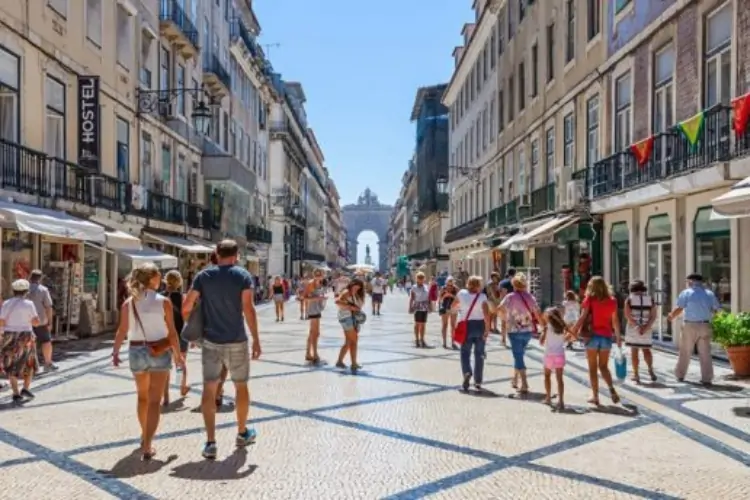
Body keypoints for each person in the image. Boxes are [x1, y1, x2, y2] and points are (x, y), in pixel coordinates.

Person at [182, 239, 261, 460]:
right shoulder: (242, 276)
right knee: (241, 386)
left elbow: (186, 306)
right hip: (237, 340)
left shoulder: (203, 276)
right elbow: (248, 309)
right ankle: (242, 432)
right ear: (236, 255)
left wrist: (195, 331)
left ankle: (210, 443)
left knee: (209, 389)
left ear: (216, 253)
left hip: (210, 341)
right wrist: (256, 339)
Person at [111, 264, 183, 460]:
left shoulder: (129, 302)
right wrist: (178, 355)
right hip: (158, 351)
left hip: (136, 350)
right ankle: (148, 445)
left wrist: (116, 351)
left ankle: (144, 435)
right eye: (159, 276)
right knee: (154, 401)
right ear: (152, 279)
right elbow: (172, 332)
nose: (161, 280)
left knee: (142, 397)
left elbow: (122, 330)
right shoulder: (163, 301)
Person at [573, 276, 622, 406]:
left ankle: (595, 396)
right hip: (606, 337)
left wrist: (573, 331)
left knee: (593, 368)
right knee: (604, 367)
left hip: (592, 336)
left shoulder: (590, 299)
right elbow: (615, 320)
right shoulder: (612, 301)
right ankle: (611, 388)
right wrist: (618, 338)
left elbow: (583, 317)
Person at [667, 273, 721, 385]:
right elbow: (716, 310)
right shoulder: (709, 294)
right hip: (705, 325)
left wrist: (671, 316)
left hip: (690, 325)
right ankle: (707, 378)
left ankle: (680, 375)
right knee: (705, 352)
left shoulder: (686, 293)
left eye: (687, 281)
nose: (687, 283)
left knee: (685, 351)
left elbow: (679, 308)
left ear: (691, 281)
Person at [497, 273, 542, 394]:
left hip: (514, 330)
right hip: (527, 330)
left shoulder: (510, 297)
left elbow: (499, 308)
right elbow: (537, 312)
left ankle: (525, 383)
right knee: (519, 355)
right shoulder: (530, 297)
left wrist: (505, 318)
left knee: (518, 356)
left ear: (514, 284)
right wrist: (543, 326)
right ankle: (515, 379)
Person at [0, 279, 41, 404]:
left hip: (10, 336)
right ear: (26, 291)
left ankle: (16, 393)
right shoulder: (29, 304)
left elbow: (1, 321)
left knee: (12, 364)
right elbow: (36, 322)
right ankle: (25, 389)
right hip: (26, 337)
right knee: (28, 362)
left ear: (13, 291)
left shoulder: (7, 303)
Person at [452, 276, 491, 391]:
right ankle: (478, 381)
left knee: (465, 352)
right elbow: (486, 315)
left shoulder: (461, 294)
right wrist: (487, 330)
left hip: (466, 326)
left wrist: (461, 308)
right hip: (479, 326)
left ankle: (467, 372)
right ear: (478, 285)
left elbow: (453, 307)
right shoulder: (482, 297)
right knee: (479, 354)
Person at [161, 270, 189, 405]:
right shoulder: (182, 298)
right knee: (180, 362)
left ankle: (166, 396)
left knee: (165, 366)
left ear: (166, 280)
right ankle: (181, 387)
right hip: (180, 334)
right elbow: (186, 316)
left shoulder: (160, 297)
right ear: (179, 282)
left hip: (164, 334)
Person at [540, 307, 574, 410]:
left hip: (549, 355)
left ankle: (548, 398)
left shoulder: (547, 327)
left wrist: (543, 333)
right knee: (560, 379)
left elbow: (541, 342)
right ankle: (561, 401)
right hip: (559, 354)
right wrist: (564, 339)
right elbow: (571, 336)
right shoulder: (562, 327)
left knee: (547, 376)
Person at [624, 280, 657, 384]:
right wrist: (646, 327)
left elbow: (628, 316)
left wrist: (637, 327)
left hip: (633, 328)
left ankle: (636, 374)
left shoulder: (629, 299)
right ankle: (650, 370)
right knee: (646, 350)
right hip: (646, 329)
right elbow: (653, 316)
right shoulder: (650, 299)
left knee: (634, 351)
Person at [28, 269, 57, 372]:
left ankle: (32, 365)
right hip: (40, 321)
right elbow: (48, 307)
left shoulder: (24, 289)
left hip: (26, 322)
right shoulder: (43, 290)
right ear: (40, 279)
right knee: (46, 342)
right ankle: (47, 363)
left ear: (30, 277)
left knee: (30, 343)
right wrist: (50, 322)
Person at [335, 278, 366, 372]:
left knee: (349, 342)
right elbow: (337, 301)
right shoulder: (346, 292)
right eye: (355, 286)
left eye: (358, 288)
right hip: (346, 318)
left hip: (352, 318)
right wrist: (351, 307)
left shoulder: (356, 294)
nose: (356, 289)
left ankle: (340, 362)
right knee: (354, 340)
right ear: (352, 284)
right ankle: (354, 364)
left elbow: (359, 306)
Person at [304, 269, 327, 364]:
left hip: (317, 308)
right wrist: (319, 298)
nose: (318, 276)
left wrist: (322, 299)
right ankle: (315, 354)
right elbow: (305, 297)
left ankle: (308, 353)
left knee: (313, 332)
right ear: (314, 275)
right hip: (312, 309)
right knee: (315, 333)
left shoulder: (319, 283)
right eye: (316, 275)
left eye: (320, 275)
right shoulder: (311, 283)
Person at [409, 272, 432, 348]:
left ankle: (422, 339)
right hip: (417, 305)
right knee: (417, 323)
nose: (421, 280)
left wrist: (430, 306)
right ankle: (416, 340)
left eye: (422, 278)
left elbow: (429, 297)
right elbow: (412, 298)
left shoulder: (426, 287)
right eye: (419, 278)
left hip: (424, 306)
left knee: (423, 324)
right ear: (417, 279)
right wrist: (410, 306)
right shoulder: (414, 287)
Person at [439, 277, 459, 349]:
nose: (449, 286)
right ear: (446, 283)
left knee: (453, 325)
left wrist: (451, 295)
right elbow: (440, 299)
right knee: (444, 325)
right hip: (445, 308)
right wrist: (444, 296)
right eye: (448, 285)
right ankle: (444, 342)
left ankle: (453, 342)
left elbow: (458, 299)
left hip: (454, 307)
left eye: (451, 285)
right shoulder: (443, 288)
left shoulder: (456, 289)